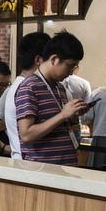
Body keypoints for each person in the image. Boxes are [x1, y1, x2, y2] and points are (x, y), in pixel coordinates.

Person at [14, 31, 88, 166]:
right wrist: (63, 115)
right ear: (54, 59)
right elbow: (26, 135)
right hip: (42, 169)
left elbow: (56, 123)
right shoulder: (29, 87)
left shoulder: (59, 87)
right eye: (70, 66)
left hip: (65, 165)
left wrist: (73, 114)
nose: (72, 72)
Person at [0, 32, 50, 160]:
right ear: (38, 60)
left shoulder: (18, 86)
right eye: (50, 59)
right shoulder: (23, 87)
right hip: (28, 161)